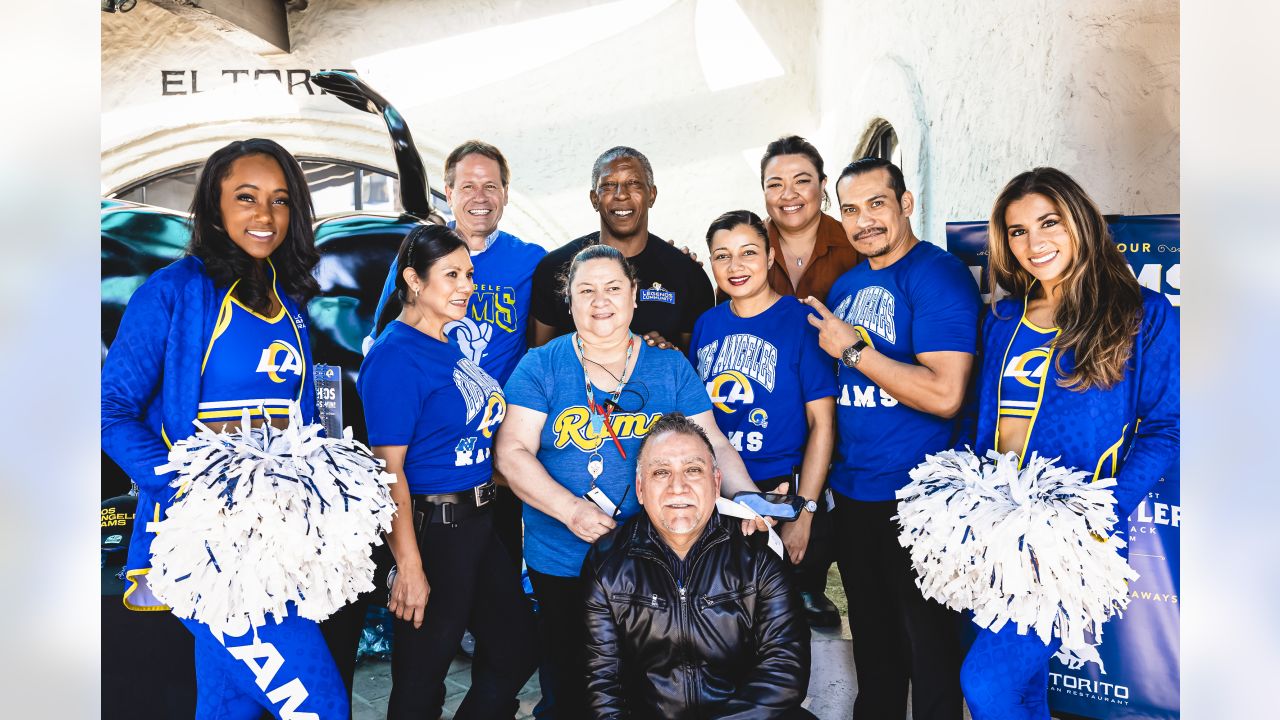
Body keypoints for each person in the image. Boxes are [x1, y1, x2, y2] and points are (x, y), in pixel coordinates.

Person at [101, 138, 348, 718]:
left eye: (281, 200)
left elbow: (298, 420)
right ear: (214, 207)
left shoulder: (287, 298)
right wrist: (191, 490)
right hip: (210, 545)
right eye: (246, 197)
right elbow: (110, 410)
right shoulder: (172, 292)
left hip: (279, 540)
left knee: (229, 703)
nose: (266, 216)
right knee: (320, 705)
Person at [496, 243, 768, 719]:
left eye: (613, 288)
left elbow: (714, 444)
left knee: (646, 686)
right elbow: (511, 452)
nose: (601, 301)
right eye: (587, 291)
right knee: (570, 687)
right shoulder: (541, 365)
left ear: (634, 295)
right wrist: (570, 510)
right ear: (569, 300)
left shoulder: (669, 366)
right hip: (562, 560)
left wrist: (745, 497)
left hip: (653, 562)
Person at [959, 167, 1179, 719]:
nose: (1034, 243)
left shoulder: (1142, 314)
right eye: (1017, 231)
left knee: (985, 683)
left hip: (1066, 539)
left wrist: (1096, 517)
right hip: (992, 526)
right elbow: (980, 419)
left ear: (1079, 222)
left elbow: (1166, 426)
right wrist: (962, 495)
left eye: (1048, 223)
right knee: (1023, 688)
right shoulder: (1005, 317)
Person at [803, 156, 979, 720]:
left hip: (921, 498)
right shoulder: (851, 284)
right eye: (850, 210)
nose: (864, 222)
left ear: (905, 203)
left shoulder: (936, 274)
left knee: (930, 652)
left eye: (877, 204)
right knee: (875, 646)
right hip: (856, 496)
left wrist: (853, 350)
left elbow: (945, 392)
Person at [358, 223, 538, 719]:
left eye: (470, 274)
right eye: (452, 275)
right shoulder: (395, 356)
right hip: (434, 531)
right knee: (421, 680)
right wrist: (410, 568)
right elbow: (387, 470)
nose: (467, 286)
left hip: (480, 522)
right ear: (414, 280)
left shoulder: (447, 344)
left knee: (516, 647)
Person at [367, 139, 547, 559]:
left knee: (496, 556)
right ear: (448, 193)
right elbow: (383, 338)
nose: (479, 197)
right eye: (467, 186)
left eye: (491, 186)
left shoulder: (531, 261)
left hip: (497, 445)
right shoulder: (417, 256)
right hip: (432, 445)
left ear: (505, 193)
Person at [583, 412, 813, 719]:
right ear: (640, 488)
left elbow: (785, 668)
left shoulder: (756, 553)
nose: (678, 487)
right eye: (661, 473)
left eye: (693, 470)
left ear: (716, 483)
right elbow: (600, 685)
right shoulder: (608, 563)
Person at [688, 210, 836, 578]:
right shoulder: (707, 323)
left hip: (780, 491)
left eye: (748, 252)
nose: (735, 265)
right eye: (722, 255)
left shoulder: (801, 321)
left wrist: (805, 513)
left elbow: (823, 424)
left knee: (780, 621)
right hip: (717, 491)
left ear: (770, 257)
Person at [757, 134, 861, 626]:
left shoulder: (853, 243)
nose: (789, 193)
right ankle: (781, 583)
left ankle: (814, 580)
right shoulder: (751, 246)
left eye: (802, 180)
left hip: (848, 390)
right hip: (772, 392)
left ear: (822, 185)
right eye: (775, 183)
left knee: (835, 483)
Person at [529, 146, 715, 352]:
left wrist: (666, 357)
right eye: (609, 185)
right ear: (594, 199)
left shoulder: (688, 275)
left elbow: (696, 365)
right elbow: (539, 357)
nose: (621, 195)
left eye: (633, 183)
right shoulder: (554, 268)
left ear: (651, 195)